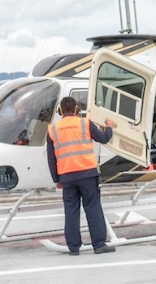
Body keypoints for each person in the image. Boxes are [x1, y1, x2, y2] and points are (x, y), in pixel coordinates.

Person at [47, 96, 118, 256]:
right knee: (93, 208)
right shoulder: (85, 123)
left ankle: (73, 248)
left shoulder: (53, 129)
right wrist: (109, 127)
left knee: (71, 212)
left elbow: (51, 159)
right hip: (87, 174)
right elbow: (103, 139)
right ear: (76, 110)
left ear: (60, 111)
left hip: (67, 177)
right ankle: (99, 245)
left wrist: (56, 179)